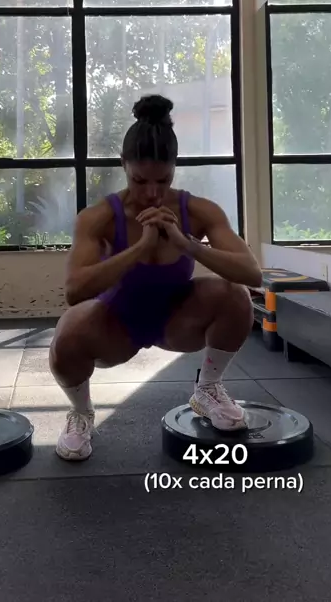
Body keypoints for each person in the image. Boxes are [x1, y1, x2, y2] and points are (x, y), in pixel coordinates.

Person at [49, 94, 262, 461]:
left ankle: (207, 389)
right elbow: (74, 290)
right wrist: (139, 248)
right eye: (139, 180)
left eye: (163, 180)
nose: (151, 192)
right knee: (68, 332)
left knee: (235, 295)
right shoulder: (99, 217)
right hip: (117, 327)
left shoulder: (198, 211)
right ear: (123, 165)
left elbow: (252, 273)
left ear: (175, 168)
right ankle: (81, 412)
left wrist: (187, 244)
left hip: (177, 322)